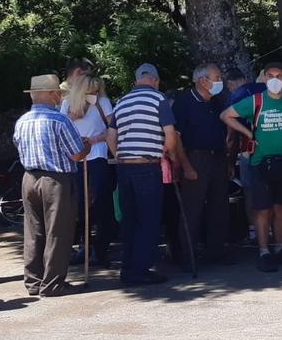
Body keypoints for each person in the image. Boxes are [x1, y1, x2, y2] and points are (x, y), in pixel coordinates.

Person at [220, 61, 282, 272]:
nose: (274, 80)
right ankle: (263, 251)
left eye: (279, 76)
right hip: (260, 162)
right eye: (270, 76)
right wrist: (249, 134)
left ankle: (279, 248)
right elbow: (225, 115)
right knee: (262, 209)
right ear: (264, 78)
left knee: (280, 208)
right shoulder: (255, 101)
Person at [13, 74, 89, 296]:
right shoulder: (59, 120)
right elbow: (76, 155)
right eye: (57, 93)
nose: (59, 96)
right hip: (55, 180)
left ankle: (33, 281)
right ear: (51, 94)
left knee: (33, 230)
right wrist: (86, 148)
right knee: (58, 231)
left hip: (29, 178)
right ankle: (53, 283)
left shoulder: (22, 121)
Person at [107, 64, 181, 286]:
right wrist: (166, 153)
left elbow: (111, 135)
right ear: (155, 80)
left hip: (124, 168)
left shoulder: (121, 102)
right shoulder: (158, 99)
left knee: (129, 220)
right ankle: (141, 270)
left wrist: (120, 155)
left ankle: (127, 269)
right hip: (147, 167)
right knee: (148, 220)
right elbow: (170, 134)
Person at [171, 63, 232, 266]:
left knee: (219, 206)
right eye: (216, 77)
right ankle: (188, 255)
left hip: (219, 158)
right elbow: (176, 138)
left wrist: (228, 160)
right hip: (195, 158)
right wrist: (186, 166)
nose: (219, 81)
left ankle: (216, 251)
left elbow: (226, 131)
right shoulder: (183, 102)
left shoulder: (217, 101)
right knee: (192, 209)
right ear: (202, 80)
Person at [59, 73, 114, 268]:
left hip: (97, 154)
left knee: (101, 202)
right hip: (76, 157)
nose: (94, 94)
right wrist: (74, 115)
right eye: (90, 91)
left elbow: (112, 128)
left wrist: (94, 140)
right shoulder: (67, 104)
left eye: (97, 91)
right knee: (80, 204)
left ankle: (101, 249)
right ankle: (83, 246)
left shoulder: (103, 103)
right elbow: (60, 128)